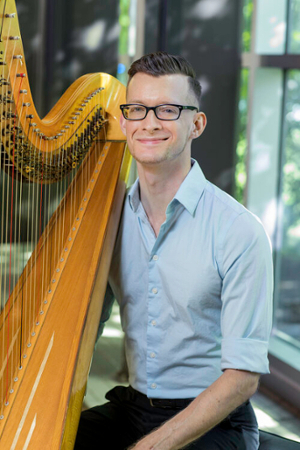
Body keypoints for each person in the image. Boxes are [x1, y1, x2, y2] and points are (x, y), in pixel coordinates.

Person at [74, 51, 273, 450]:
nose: (149, 122)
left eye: (167, 109)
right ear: (125, 121)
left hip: (216, 418)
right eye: (137, 109)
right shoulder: (107, 223)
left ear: (195, 123)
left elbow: (243, 379)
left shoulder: (238, 231)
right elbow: (85, 324)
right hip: (133, 406)